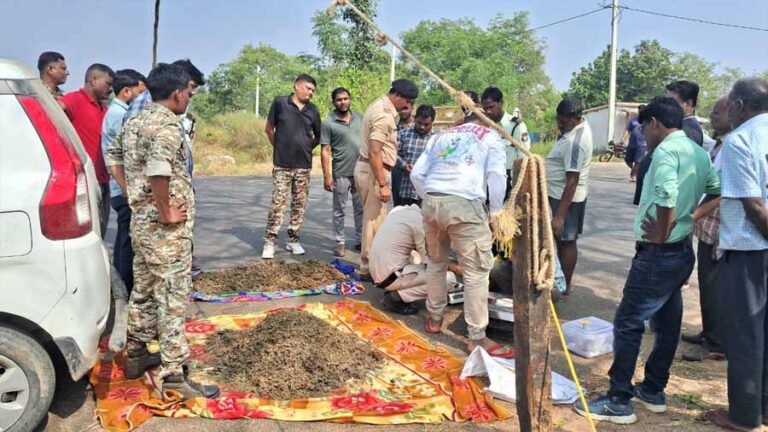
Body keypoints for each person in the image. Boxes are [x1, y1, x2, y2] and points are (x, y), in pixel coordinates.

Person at [575, 96, 720, 425]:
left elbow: (667, 194)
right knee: (668, 325)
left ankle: (618, 400)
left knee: (627, 323)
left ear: (654, 123)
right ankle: (653, 389)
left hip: (659, 253)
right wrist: (689, 218)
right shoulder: (698, 152)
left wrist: (664, 228)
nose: (643, 133)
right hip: (682, 249)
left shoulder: (666, 152)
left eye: (644, 126)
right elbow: (717, 188)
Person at [107, 63, 219, 399]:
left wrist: (134, 196)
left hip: (141, 225)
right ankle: (174, 374)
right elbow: (159, 167)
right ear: (178, 92)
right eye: (190, 92)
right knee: (172, 297)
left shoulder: (135, 120)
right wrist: (166, 209)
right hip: (164, 231)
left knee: (143, 289)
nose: (190, 98)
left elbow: (113, 157)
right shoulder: (168, 125)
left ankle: (138, 353)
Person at [410, 113, 514, 358]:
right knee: (476, 270)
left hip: (432, 200)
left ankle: (435, 318)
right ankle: (477, 338)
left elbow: (416, 174)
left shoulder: (441, 136)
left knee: (436, 262)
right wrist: (496, 213)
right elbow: (497, 176)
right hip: (465, 204)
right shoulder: (490, 135)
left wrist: (430, 198)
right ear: (484, 123)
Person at [703, 77, 768, 432]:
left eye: (728, 105)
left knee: (745, 333)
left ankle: (744, 416)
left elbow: (755, 206)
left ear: (740, 105)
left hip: (749, 248)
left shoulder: (741, 140)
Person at [681, 95, 731, 362]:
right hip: (709, 228)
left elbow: (720, 191)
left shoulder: (733, 146)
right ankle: (709, 331)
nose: (712, 118)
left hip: (721, 228)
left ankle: (717, 342)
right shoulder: (719, 144)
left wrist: (692, 216)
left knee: (716, 285)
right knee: (707, 284)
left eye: (717, 114)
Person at [355, 79, 419, 281]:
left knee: (378, 222)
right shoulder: (384, 114)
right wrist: (382, 184)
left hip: (372, 169)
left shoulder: (380, 106)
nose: (407, 106)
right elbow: (375, 151)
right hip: (375, 171)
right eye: (406, 101)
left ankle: (375, 265)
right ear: (397, 96)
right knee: (372, 223)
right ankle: (368, 268)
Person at [261, 74, 322, 259]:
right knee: (278, 203)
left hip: (303, 166)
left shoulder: (313, 110)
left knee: (299, 205)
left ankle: (293, 240)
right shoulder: (280, 103)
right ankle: (270, 241)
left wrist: (306, 148)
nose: (310, 93)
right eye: (308, 88)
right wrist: (279, 146)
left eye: (313, 90)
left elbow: (318, 136)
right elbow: (269, 129)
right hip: (282, 165)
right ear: (297, 86)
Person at [101, 69, 147, 293]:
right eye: (140, 93)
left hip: (121, 187)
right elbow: (122, 155)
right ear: (127, 91)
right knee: (128, 243)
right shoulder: (120, 116)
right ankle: (126, 290)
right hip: (124, 187)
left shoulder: (116, 112)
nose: (143, 98)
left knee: (123, 240)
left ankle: (120, 287)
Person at [373, 204, 461, 315]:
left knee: (416, 258)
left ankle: (397, 290)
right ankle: (396, 297)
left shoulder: (400, 210)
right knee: (449, 279)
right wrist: (456, 269)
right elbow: (431, 262)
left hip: (379, 272)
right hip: (389, 278)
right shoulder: (421, 223)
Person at [545, 99, 593, 296]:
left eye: (564, 122)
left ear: (577, 119)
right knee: (560, 240)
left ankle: (565, 286)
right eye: (559, 120)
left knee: (566, 241)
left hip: (566, 199)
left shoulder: (576, 142)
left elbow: (572, 180)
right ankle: (560, 283)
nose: (560, 125)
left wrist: (559, 216)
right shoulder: (572, 131)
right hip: (557, 194)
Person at [60, 64, 114, 238]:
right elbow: (52, 112)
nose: (110, 89)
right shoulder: (74, 100)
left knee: (102, 230)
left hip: (104, 180)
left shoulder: (104, 108)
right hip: (86, 181)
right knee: (89, 235)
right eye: (108, 84)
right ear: (93, 80)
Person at [320, 87, 364, 258]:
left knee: (360, 209)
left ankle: (360, 240)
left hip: (361, 172)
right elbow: (325, 150)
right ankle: (340, 242)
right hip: (340, 173)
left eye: (346, 98)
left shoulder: (360, 118)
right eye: (339, 100)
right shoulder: (328, 123)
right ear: (334, 102)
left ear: (350, 99)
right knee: (339, 209)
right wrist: (327, 176)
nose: (343, 102)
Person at [481, 87, 527, 199]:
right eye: (485, 108)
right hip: (486, 179)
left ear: (501, 103)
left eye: (491, 107)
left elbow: (523, 158)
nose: (488, 111)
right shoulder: (484, 127)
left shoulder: (515, 125)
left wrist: (517, 188)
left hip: (508, 180)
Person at [395, 104, 436, 207]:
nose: (422, 127)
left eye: (426, 124)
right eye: (419, 123)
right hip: (405, 188)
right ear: (415, 118)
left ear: (432, 122)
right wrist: (403, 164)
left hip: (427, 191)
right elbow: (393, 154)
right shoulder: (403, 134)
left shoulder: (437, 139)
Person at [391, 102, 416, 206]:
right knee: (399, 205)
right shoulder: (393, 127)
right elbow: (391, 150)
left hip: (416, 171)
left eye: (405, 108)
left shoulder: (420, 126)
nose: (403, 112)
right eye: (400, 109)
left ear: (412, 107)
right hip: (399, 171)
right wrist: (403, 164)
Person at [623, 105, 647, 183]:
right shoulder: (633, 120)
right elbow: (627, 130)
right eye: (639, 110)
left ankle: (633, 175)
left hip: (642, 144)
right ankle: (636, 170)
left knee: (638, 161)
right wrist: (623, 138)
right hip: (631, 143)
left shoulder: (647, 120)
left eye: (642, 110)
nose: (640, 111)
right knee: (627, 159)